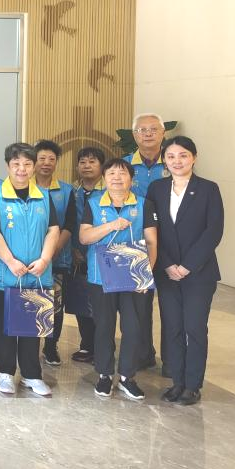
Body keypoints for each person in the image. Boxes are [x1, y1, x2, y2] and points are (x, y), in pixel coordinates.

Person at [147, 137, 223, 406]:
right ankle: (177, 382)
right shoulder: (156, 189)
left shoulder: (208, 189)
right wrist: (167, 264)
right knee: (173, 328)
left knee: (195, 328)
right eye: (171, 156)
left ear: (194, 157)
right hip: (166, 272)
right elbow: (152, 230)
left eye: (183, 155)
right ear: (164, 160)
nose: (177, 161)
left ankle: (193, 385)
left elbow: (213, 231)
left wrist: (187, 265)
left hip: (199, 273)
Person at [0, 142, 59, 398]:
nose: (22, 169)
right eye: (16, 164)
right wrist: (10, 261)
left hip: (37, 274)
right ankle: (5, 373)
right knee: (4, 327)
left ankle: (31, 375)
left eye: (27, 164)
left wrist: (45, 259)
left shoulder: (44, 196)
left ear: (34, 166)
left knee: (31, 328)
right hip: (5, 275)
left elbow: (53, 230)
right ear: (8, 166)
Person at [79, 157, 159, 401]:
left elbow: (152, 242)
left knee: (133, 328)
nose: (116, 178)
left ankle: (127, 377)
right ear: (104, 179)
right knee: (104, 327)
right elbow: (84, 238)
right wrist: (112, 225)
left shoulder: (144, 204)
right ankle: (104, 375)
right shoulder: (93, 203)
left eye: (122, 173)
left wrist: (144, 276)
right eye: (111, 173)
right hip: (100, 277)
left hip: (134, 277)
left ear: (131, 180)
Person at [129, 112, 167, 371]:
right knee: (139, 303)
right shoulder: (123, 166)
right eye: (142, 130)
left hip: (172, 244)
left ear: (163, 133)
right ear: (135, 135)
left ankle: (172, 360)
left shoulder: (174, 161)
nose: (148, 133)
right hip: (136, 243)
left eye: (154, 129)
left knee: (171, 305)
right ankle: (143, 353)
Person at [34, 140, 75, 366]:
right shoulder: (24, 186)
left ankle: (51, 346)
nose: (46, 163)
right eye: (42, 158)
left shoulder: (66, 190)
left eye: (51, 159)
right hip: (29, 259)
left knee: (55, 305)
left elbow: (70, 223)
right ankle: (29, 345)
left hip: (58, 258)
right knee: (30, 300)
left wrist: (55, 248)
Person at [69, 147, 106, 363]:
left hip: (101, 255)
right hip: (76, 256)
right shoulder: (73, 192)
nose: (87, 166)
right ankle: (87, 345)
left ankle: (102, 347)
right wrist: (72, 249)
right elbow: (68, 223)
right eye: (82, 162)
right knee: (81, 301)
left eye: (92, 161)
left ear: (101, 166)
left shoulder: (108, 191)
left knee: (101, 305)